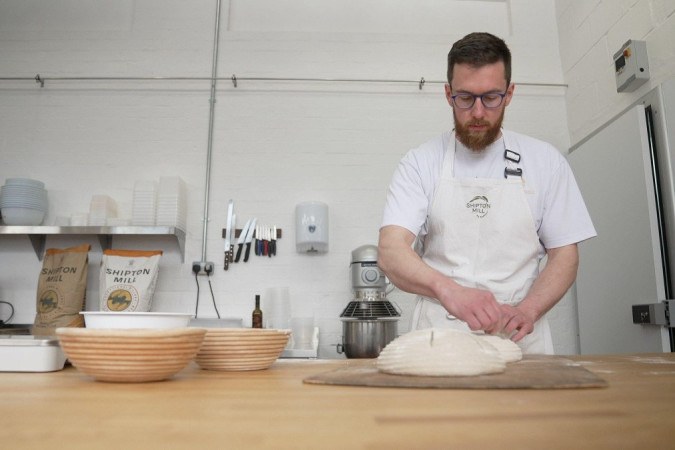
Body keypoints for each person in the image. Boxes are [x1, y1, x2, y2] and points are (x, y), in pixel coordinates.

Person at [377, 32, 596, 354]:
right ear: (448, 94)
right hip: (440, 336)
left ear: (509, 94)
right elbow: (391, 251)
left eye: (491, 97)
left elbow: (565, 254)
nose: (478, 112)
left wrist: (528, 310)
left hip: (519, 336)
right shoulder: (420, 162)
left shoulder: (545, 161)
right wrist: (448, 291)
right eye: (465, 98)